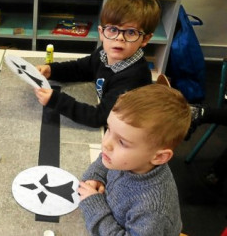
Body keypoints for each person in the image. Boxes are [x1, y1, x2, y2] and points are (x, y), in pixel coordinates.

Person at [35, 0, 161, 127]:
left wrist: (56, 100)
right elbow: (81, 68)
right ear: (101, 32)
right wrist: (51, 70)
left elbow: (99, 117)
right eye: (113, 30)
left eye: (131, 32)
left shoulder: (134, 78)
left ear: (145, 39)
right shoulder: (105, 53)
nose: (119, 38)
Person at [78, 84, 191, 235]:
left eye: (122, 142)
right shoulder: (131, 159)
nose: (106, 144)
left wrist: (93, 206)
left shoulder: (152, 211)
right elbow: (105, 158)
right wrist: (96, 176)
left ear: (159, 157)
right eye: (109, 129)